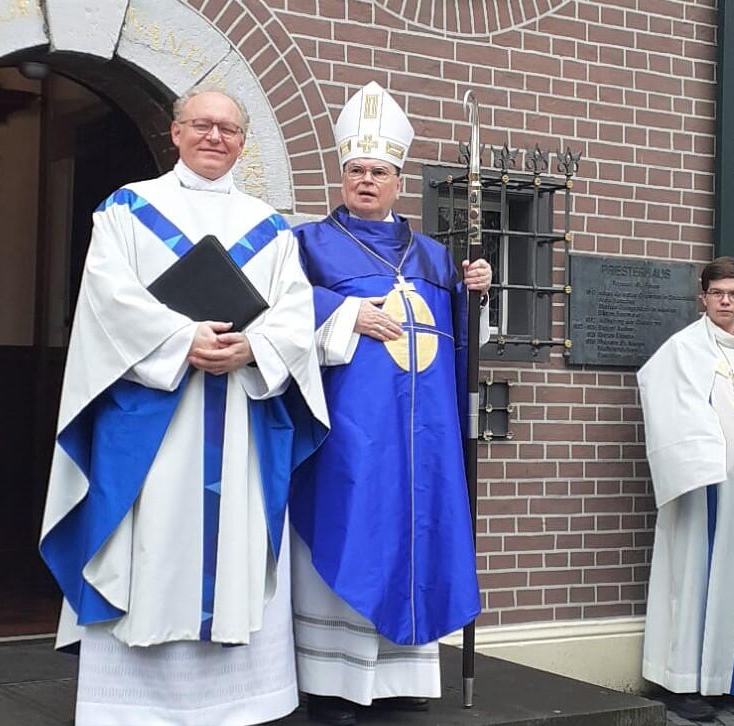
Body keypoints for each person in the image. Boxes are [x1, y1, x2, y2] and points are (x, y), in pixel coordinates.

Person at [38, 88, 329, 725]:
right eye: (202, 124)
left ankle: (239, 702)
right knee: (149, 546)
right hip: (153, 418)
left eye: (228, 129)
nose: (214, 137)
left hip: (239, 416)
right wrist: (180, 339)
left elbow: (294, 312)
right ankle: (134, 708)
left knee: (235, 551)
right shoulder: (128, 209)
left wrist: (253, 347)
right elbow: (107, 300)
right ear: (175, 132)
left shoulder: (270, 226)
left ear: (243, 143)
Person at [289, 81, 492, 726]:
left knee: (418, 535)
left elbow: (468, 340)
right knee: (355, 528)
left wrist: (476, 293)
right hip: (350, 430)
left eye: (378, 172)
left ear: (399, 181)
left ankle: (402, 679)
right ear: (341, 175)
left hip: (424, 437)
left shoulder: (434, 254)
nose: (366, 180)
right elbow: (281, 311)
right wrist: (346, 311)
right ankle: (333, 684)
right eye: (356, 170)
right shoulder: (307, 243)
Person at [637, 257, 734, 722]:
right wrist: (700, 455)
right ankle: (683, 681)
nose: (726, 301)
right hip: (701, 490)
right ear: (702, 297)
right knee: (693, 579)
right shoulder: (682, 349)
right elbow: (661, 400)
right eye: (717, 293)